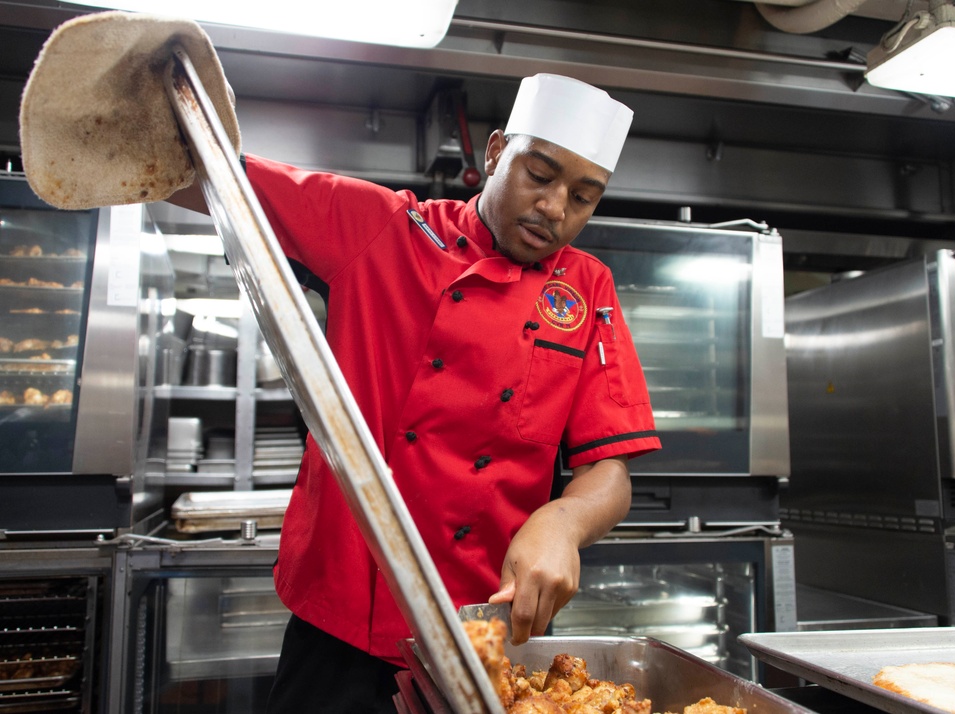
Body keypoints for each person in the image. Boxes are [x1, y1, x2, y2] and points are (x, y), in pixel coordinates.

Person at [20, 25, 660, 708]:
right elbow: (213, 178)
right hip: (344, 626)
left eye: (585, 196)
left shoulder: (586, 287)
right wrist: (124, 96)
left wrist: (563, 522)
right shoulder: (384, 230)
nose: (556, 208)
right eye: (540, 175)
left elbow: (608, 471)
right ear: (497, 151)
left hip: (492, 626)